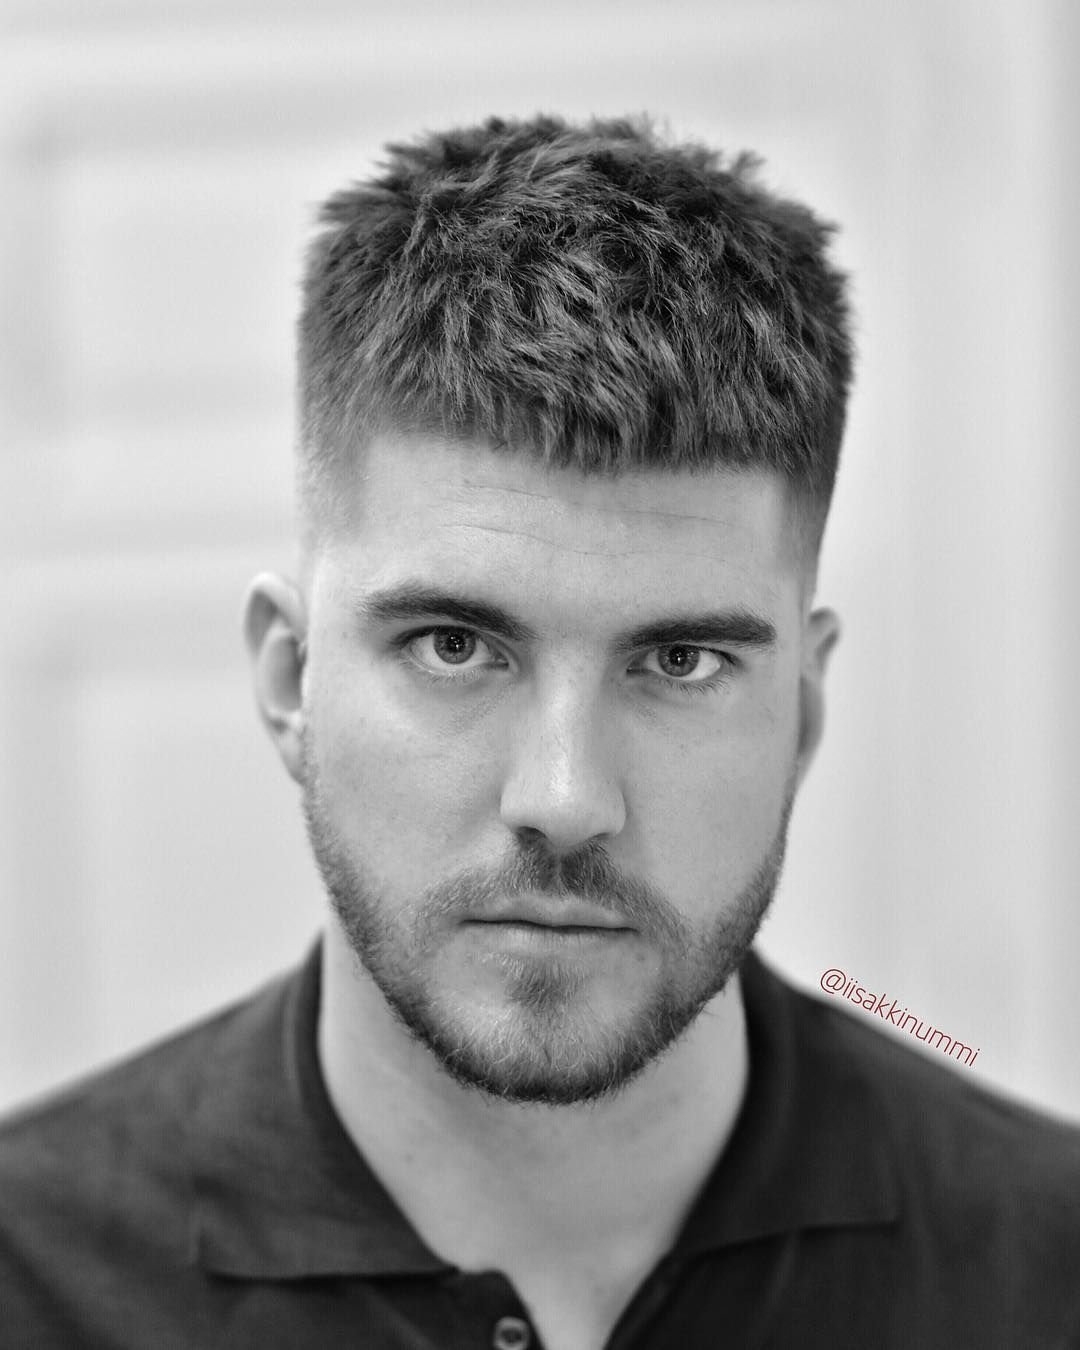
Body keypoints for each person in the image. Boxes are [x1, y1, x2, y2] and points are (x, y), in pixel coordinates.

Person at [1, 112, 1077, 1350]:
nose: (564, 799)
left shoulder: (1047, 1270)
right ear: (292, 679)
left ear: (805, 709)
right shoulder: (27, 1280)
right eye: (455, 647)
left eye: (681, 661)